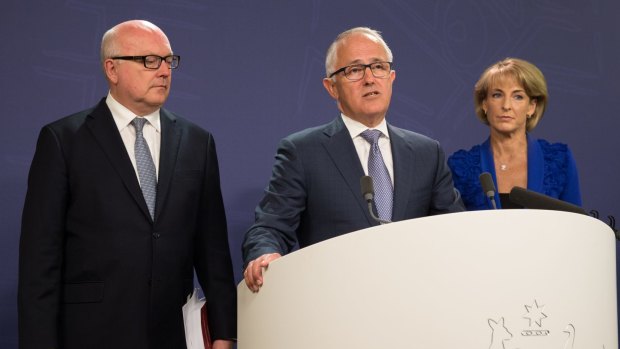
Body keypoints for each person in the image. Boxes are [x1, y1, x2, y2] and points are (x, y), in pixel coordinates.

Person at [18, 20, 236, 349]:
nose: (164, 71)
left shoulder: (196, 142)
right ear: (112, 68)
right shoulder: (64, 141)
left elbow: (212, 247)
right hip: (88, 334)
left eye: (169, 60)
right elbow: (40, 262)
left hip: (170, 334)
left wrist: (223, 332)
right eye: (150, 60)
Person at [242, 27, 464, 292]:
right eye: (355, 70)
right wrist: (264, 254)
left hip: (415, 299)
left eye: (378, 67)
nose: (369, 79)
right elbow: (270, 227)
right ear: (331, 87)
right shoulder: (302, 151)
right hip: (337, 304)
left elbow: (454, 230)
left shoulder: (427, 152)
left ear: (391, 77)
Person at [448, 57, 582, 210]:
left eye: (517, 96)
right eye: (497, 95)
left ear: (531, 107)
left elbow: (576, 226)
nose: (506, 106)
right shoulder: (460, 166)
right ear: (484, 104)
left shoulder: (560, 160)